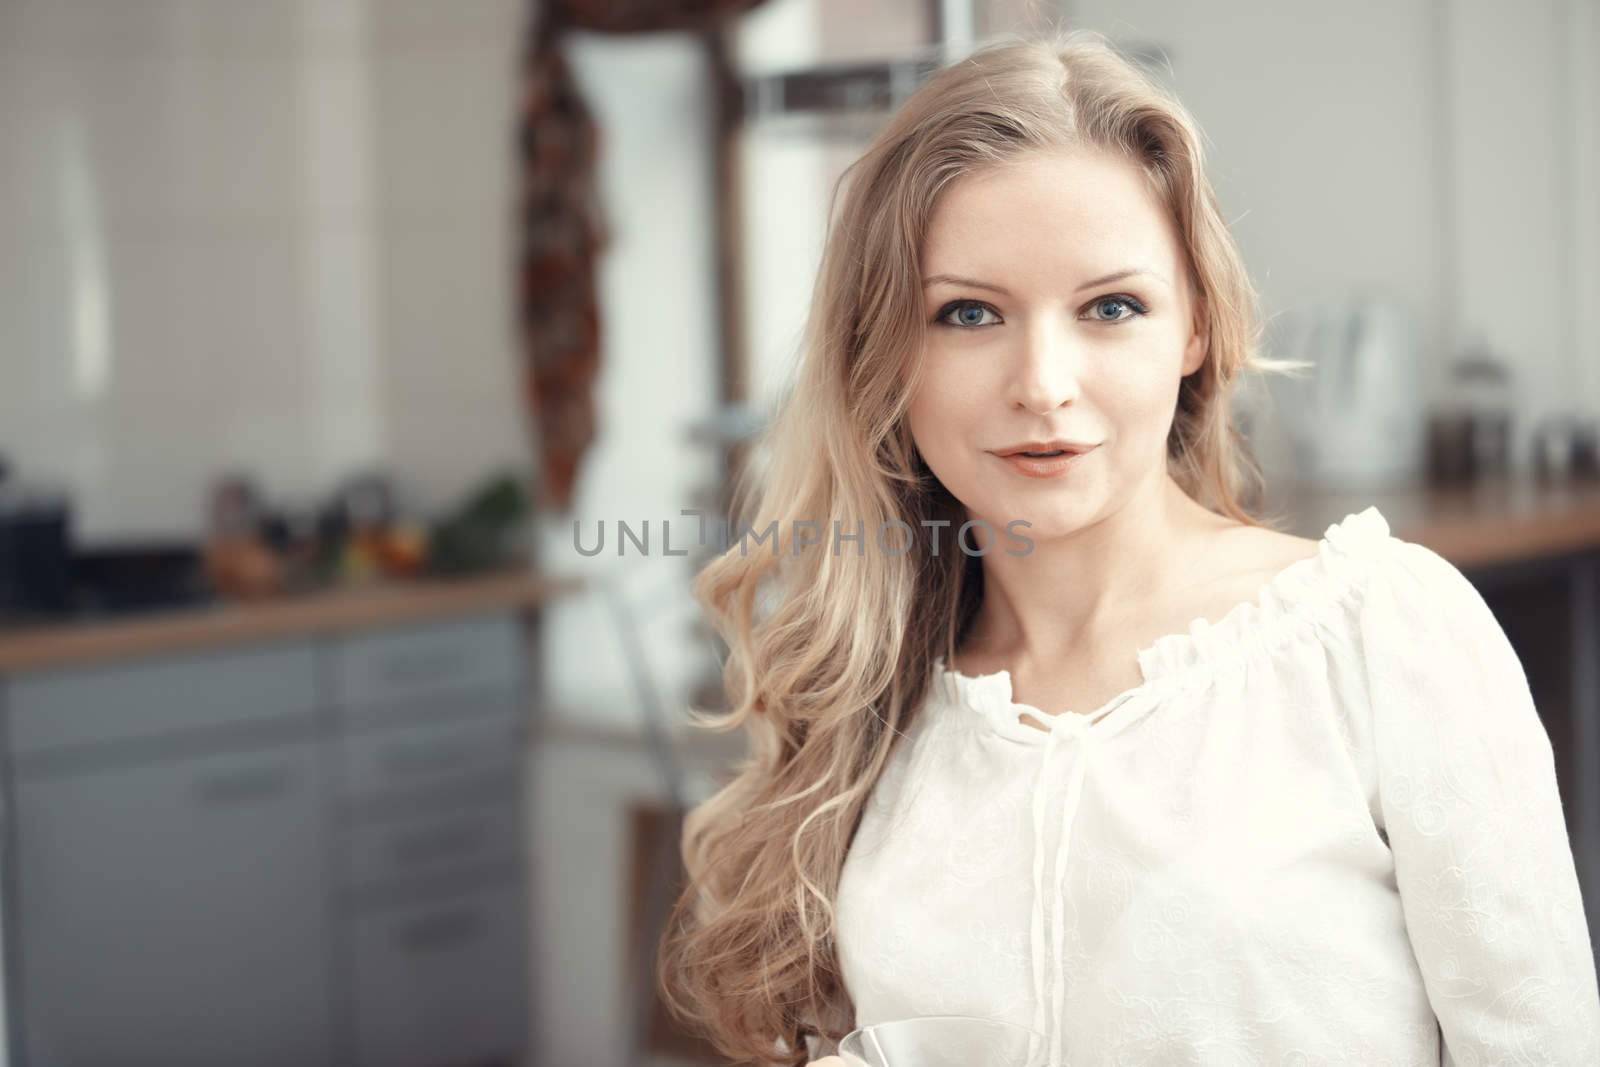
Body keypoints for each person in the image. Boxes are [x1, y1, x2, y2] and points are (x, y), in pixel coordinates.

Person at [656, 29, 1600, 1066]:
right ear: (885, 354)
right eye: (968, 313)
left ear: (1193, 325)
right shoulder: (874, 703)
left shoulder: (1380, 633)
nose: (1044, 383)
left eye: (1111, 306)